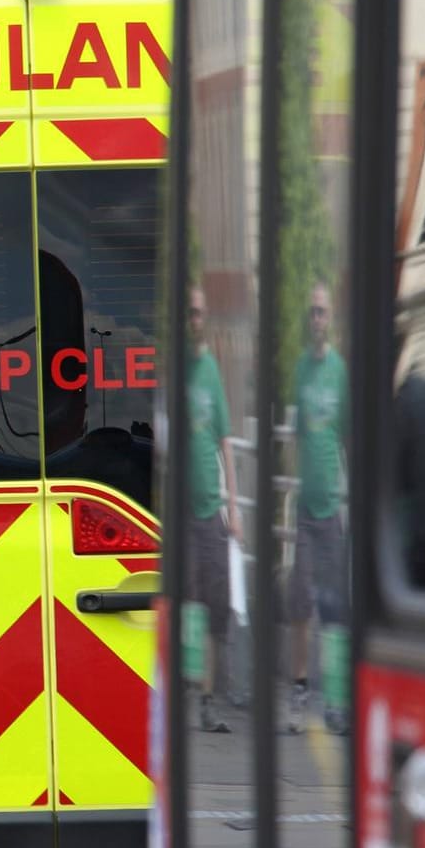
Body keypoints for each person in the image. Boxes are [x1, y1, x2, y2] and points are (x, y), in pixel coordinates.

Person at [287, 284, 347, 733]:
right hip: (306, 509)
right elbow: (297, 436)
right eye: (312, 312)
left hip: (333, 510)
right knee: (301, 603)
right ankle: (300, 690)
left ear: (331, 320)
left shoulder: (339, 372)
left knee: (333, 609)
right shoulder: (301, 370)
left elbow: (344, 436)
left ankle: (334, 701)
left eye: (323, 312)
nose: (317, 319)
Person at [185, 287, 240, 733]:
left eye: (200, 312)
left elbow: (225, 441)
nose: (195, 319)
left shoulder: (209, 372)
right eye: (189, 313)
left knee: (213, 603)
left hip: (209, 510)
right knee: (183, 602)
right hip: (178, 515)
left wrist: (234, 508)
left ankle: (207, 698)